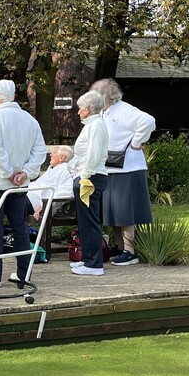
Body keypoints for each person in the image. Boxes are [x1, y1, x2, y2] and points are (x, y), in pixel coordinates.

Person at [0, 79, 47, 288]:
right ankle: (24, 273)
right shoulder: (29, 120)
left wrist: (7, 172)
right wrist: (25, 173)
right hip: (19, 185)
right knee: (20, 227)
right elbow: (39, 150)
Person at [92, 78, 156, 266]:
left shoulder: (124, 110)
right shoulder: (104, 113)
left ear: (107, 96)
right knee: (113, 211)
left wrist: (135, 143)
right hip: (110, 168)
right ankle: (120, 248)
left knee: (124, 211)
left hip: (127, 168)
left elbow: (148, 121)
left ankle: (130, 251)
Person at [68, 90, 110, 276]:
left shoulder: (96, 126)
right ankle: (87, 259)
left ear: (88, 109)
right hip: (87, 176)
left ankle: (94, 264)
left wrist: (83, 176)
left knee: (90, 220)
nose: (78, 112)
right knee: (84, 221)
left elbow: (92, 155)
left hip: (91, 178)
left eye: (80, 109)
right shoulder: (92, 125)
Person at [27, 145, 75, 219]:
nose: (50, 154)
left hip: (36, 202)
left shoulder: (67, 170)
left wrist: (43, 206)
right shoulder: (53, 168)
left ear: (61, 157)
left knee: (8, 202)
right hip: (27, 196)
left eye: (54, 153)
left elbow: (67, 192)